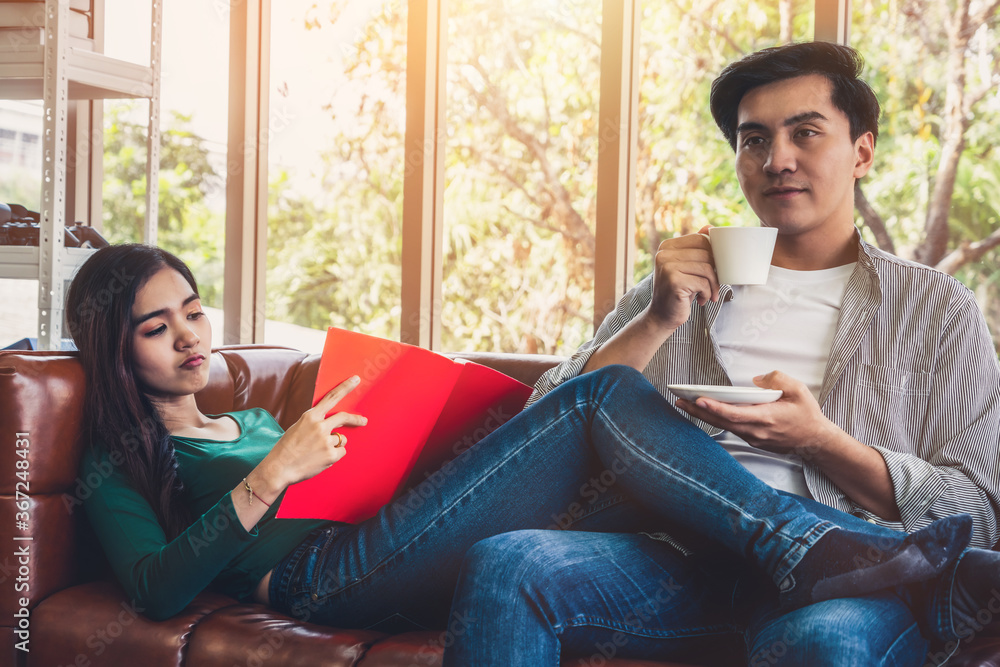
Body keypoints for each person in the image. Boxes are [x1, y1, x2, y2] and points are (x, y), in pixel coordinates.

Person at [67, 242, 973, 641]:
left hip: (382, 537)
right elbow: (154, 588)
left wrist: (409, 438)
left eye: (192, 310)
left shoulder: (252, 414)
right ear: (115, 345)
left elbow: (351, 490)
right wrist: (270, 476)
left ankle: (819, 558)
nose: (191, 336)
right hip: (320, 578)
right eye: (157, 328)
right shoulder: (123, 457)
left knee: (623, 445)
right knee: (600, 398)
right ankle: (825, 550)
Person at [442, 42, 1000, 666]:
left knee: (829, 643)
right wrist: (656, 321)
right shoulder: (675, 287)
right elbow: (544, 434)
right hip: (676, 559)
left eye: (806, 133)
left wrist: (823, 443)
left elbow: (977, 514)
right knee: (510, 562)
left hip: (848, 582)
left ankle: (815, 546)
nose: (777, 160)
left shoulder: (938, 310)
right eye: (754, 139)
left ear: (862, 151)